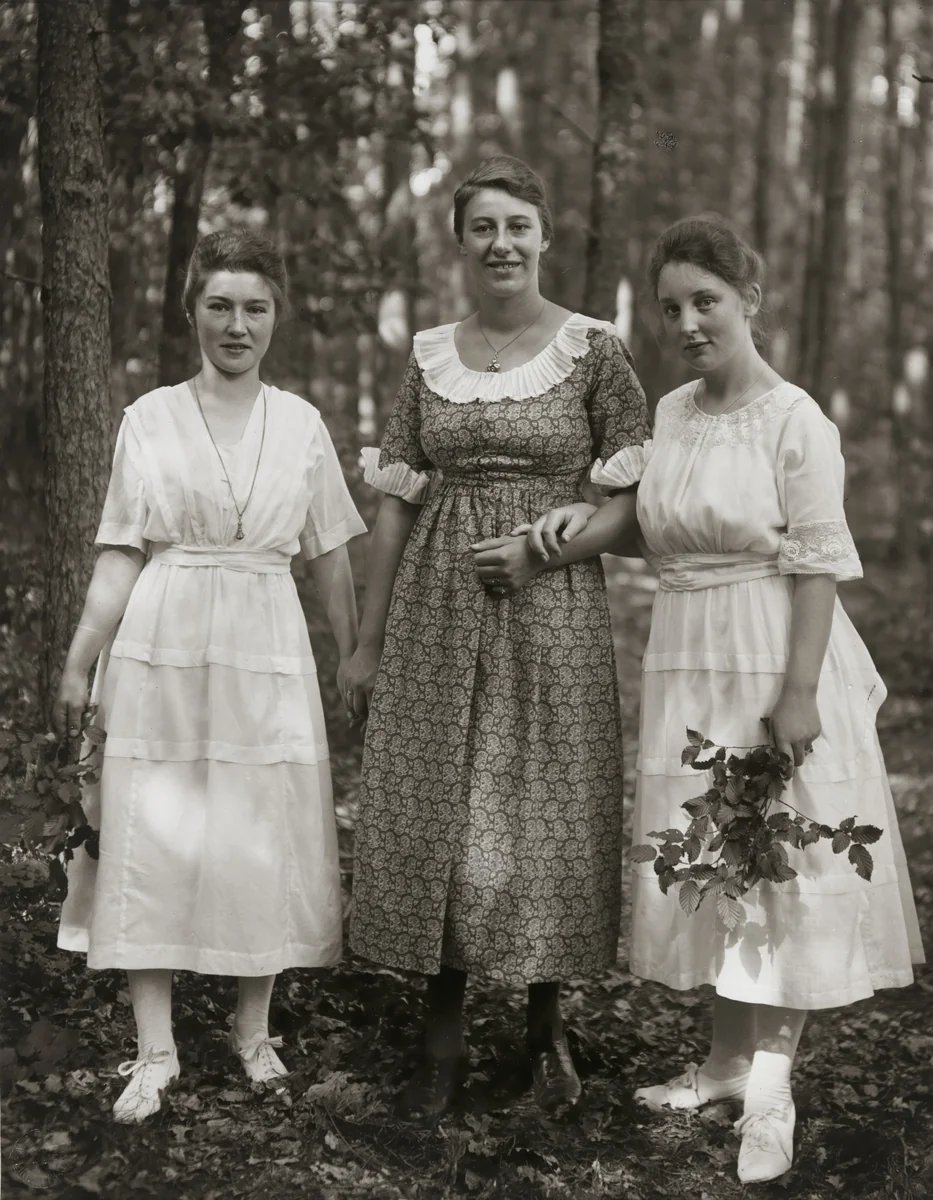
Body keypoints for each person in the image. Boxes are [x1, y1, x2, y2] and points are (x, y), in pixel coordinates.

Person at [520, 215, 925, 1182]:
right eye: (671, 308)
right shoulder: (669, 414)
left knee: (775, 858)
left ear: (750, 300)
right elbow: (658, 525)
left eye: (706, 301)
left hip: (769, 647)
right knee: (711, 858)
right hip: (687, 654)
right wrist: (591, 519)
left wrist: (795, 695)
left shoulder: (797, 420)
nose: (688, 322)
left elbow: (821, 564)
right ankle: (719, 1063)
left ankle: (771, 1092)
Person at [345, 155, 651, 1117]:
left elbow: (637, 500)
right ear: (460, 241)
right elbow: (396, 501)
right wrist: (364, 639)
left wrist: (541, 553)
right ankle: (438, 1048)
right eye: (483, 227)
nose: (502, 243)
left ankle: (543, 1034)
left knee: (540, 804)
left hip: (548, 608)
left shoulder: (596, 350)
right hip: (435, 608)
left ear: (545, 235)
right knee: (438, 804)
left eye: (518, 224)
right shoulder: (429, 353)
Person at [54, 230, 367, 1123]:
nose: (237, 325)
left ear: (276, 318)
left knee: (256, 826)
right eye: (221, 305)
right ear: (192, 310)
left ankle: (253, 1031)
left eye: (255, 308)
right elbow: (121, 549)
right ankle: (155, 1049)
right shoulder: (148, 417)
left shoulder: (302, 424)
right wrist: (81, 658)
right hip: (164, 635)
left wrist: (351, 656)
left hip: (265, 639)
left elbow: (329, 558)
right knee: (149, 824)